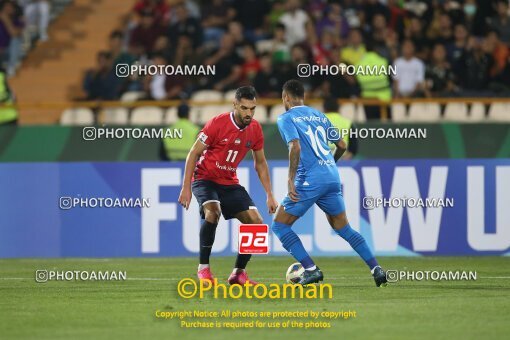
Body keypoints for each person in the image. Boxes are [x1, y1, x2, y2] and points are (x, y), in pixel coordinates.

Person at [272, 79, 387, 287]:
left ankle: (311, 269)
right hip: (332, 176)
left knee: (280, 226)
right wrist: (329, 165)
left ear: (285, 97)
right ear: (303, 96)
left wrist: (290, 179)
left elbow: (295, 147)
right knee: (344, 228)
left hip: (309, 179)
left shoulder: (285, 118)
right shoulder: (319, 115)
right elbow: (342, 144)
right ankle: (376, 269)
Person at [178, 86, 279, 286]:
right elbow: (193, 153)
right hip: (205, 178)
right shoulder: (217, 123)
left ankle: (239, 273)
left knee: (257, 224)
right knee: (213, 213)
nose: (248, 113)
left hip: (229, 182)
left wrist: (269, 193)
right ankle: (203, 269)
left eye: (252, 109)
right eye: (244, 108)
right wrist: (186, 187)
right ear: (235, 105)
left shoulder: (256, 129)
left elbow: (260, 163)